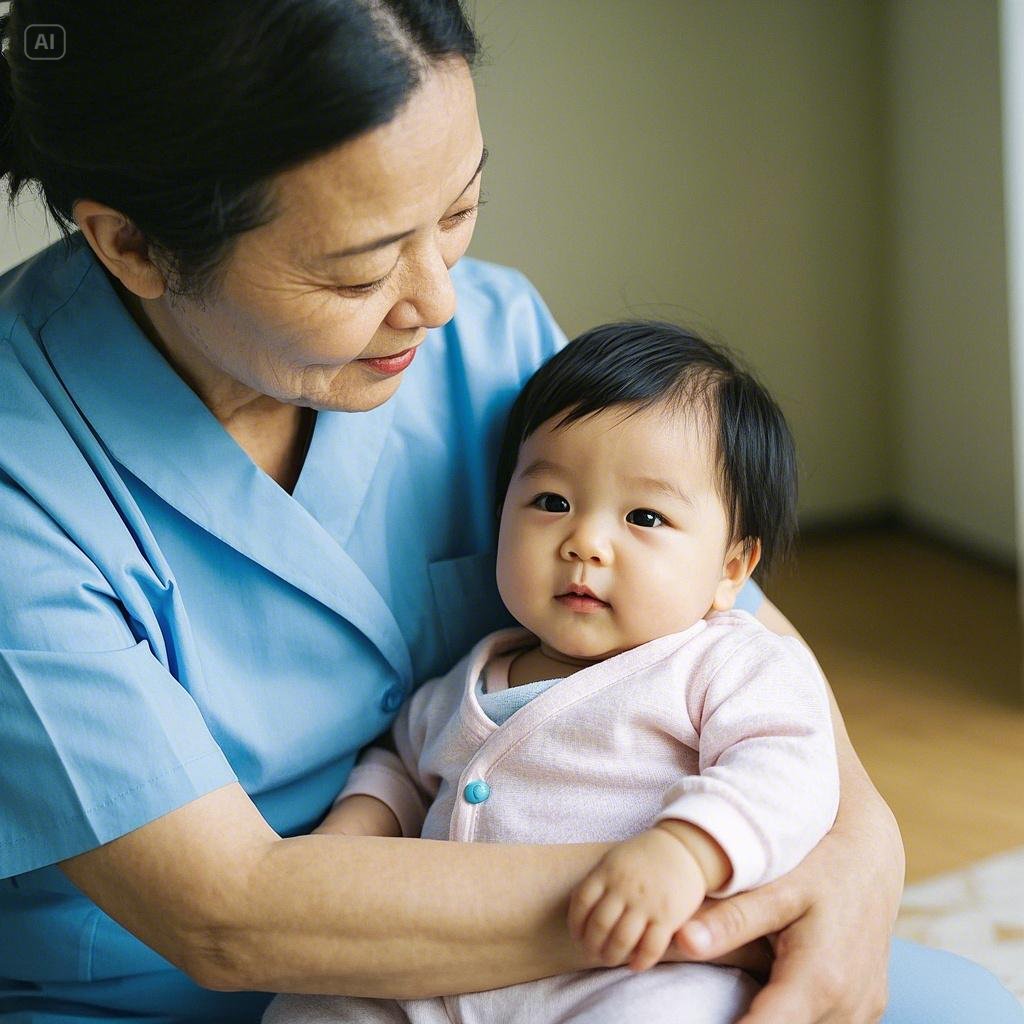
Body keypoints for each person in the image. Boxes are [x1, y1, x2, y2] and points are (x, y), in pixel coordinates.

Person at [0, 2, 1019, 1022]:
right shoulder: (22, 475)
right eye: (360, 268)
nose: (436, 300)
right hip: (213, 996)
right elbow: (228, 916)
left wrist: (853, 848)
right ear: (132, 245)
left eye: (457, 212)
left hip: (606, 953)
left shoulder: (486, 333)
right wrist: (692, 887)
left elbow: (725, 618)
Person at [263, 321, 843, 1024]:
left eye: (645, 516)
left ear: (729, 569)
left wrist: (686, 853)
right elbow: (400, 769)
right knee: (311, 1006)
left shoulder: (723, 662)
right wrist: (353, 833)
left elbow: (789, 766)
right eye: (551, 503)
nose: (585, 543)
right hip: (434, 975)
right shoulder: (466, 681)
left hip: (624, 973)